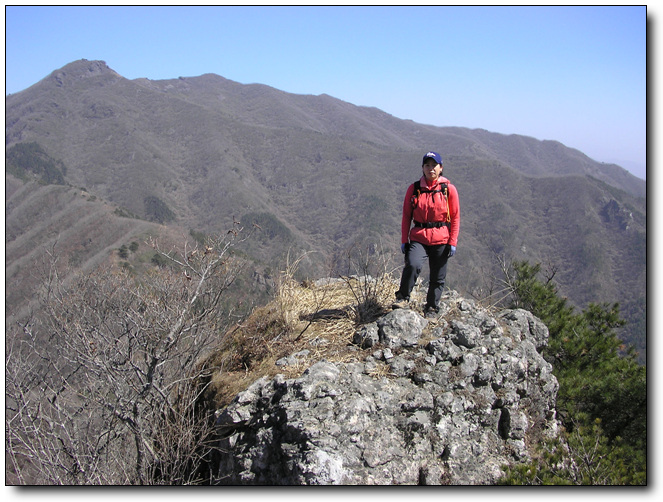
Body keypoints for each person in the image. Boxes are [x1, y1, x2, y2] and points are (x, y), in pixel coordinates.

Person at [393, 151, 460, 317]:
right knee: (413, 264)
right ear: (422, 168)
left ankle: (431, 307)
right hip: (419, 236)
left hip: (441, 238)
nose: (431, 169)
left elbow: (456, 217)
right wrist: (404, 239)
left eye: (434, 165)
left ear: (441, 168)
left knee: (438, 276)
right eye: (427, 165)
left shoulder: (448, 190)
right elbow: (406, 216)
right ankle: (402, 297)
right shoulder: (415, 189)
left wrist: (453, 241)